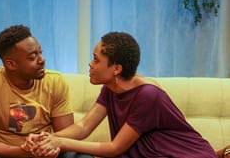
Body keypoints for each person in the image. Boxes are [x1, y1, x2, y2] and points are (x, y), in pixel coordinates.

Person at [22, 32, 217, 158]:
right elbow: (83, 127)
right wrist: (46, 139)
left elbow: (115, 148)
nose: (90, 64)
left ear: (116, 68)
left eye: (96, 60)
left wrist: (59, 141)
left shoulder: (148, 95)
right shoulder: (111, 89)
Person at [0, 25, 92, 158]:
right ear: (11, 64)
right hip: (9, 155)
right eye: (32, 57)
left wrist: (49, 148)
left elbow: (66, 135)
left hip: (47, 152)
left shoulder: (55, 81)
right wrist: (23, 152)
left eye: (41, 52)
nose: (42, 60)